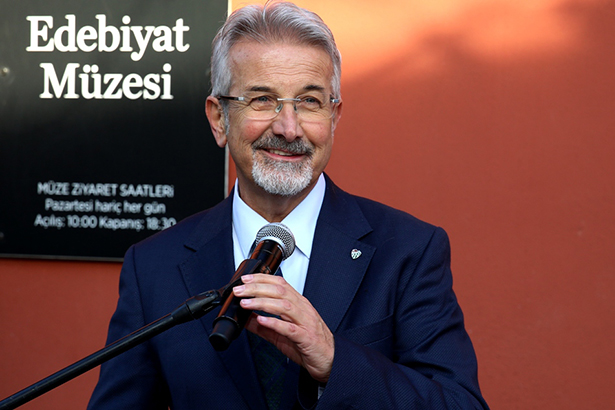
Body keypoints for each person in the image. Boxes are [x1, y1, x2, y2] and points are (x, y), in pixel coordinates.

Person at [88, 1, 489, 409]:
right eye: (263, 99)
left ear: (334, 118)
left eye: (309, 101)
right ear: (219, 118)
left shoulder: (408, 251)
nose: (288, 127)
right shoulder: (154, 266)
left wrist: (334, 361)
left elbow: (461, 405)